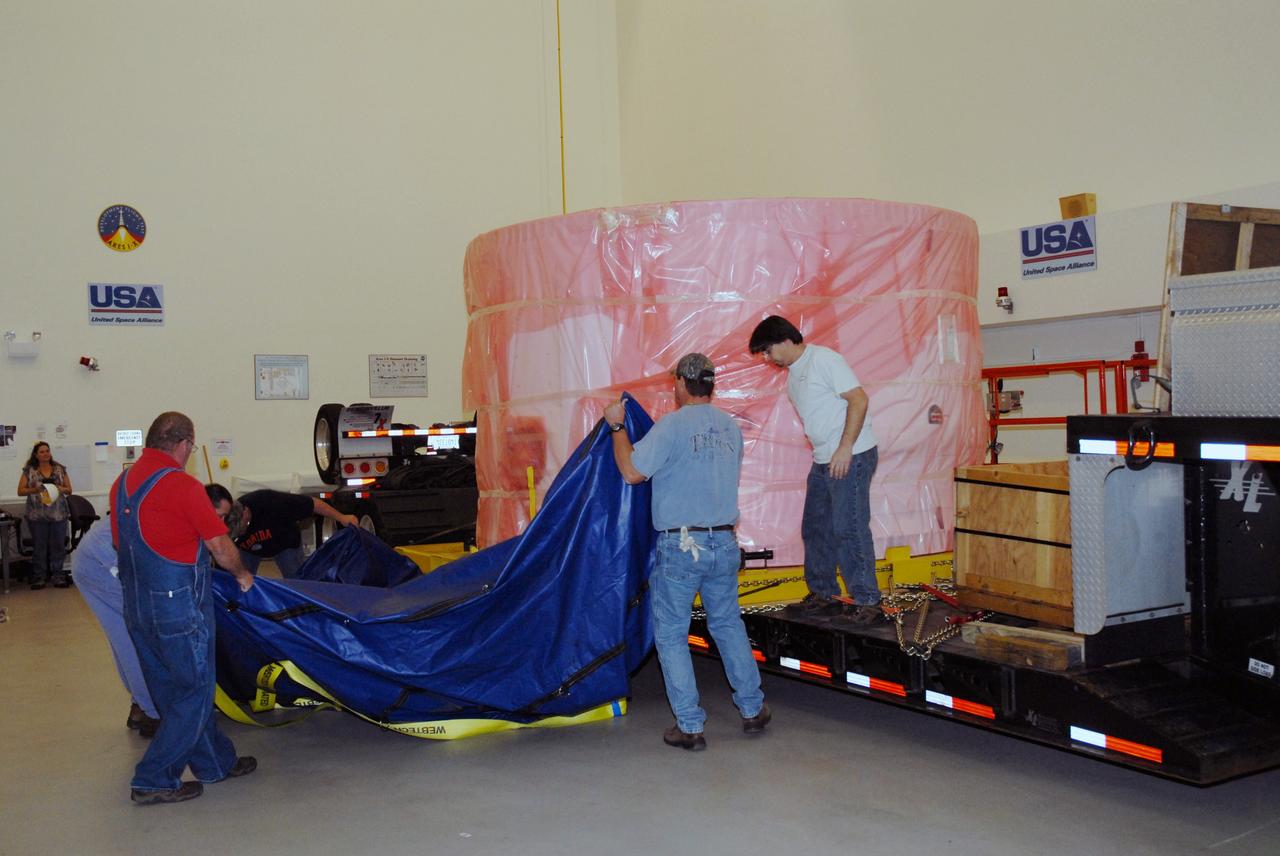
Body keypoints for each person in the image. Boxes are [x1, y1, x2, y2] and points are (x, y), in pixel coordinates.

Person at [604, 353, 769, 751]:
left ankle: (690, 725)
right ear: (710, 384)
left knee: (673, 634)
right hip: (724, 542)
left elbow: (631, 472)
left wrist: (616, 426)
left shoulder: (672, 427)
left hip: (682, 546)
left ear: (680, 382)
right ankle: (752, 708)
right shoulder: (730, 428)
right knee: (727, 625)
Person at [109, 411, 257, 806]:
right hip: (177, 609)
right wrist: (243, 574)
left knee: (172, 692)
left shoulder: (121, 485)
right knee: (193, 691)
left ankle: (215, 763)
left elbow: (121, 546)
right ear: (184, 444)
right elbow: (220, 546)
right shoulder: (184, 486)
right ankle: (154, 777)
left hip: (137, 607)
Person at [749, 315, 881, 623]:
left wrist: (845, 448)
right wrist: (828, 452)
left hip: (852, 455)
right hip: (824, 459)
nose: (767, 358)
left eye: (768, 351)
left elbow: (858, 400)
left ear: (784, 341)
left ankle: (867, 600)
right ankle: (824, 594)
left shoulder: (824, 360)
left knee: (848, 528)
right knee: (816, 527)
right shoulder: (795, 374)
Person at [71, 516, 161, 737]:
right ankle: (152, 713)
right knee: (136, 639)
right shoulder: (179, 510)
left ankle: (140, 706)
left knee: (123, 636)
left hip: (91, 558)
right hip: (103, 562)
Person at [204, 484, 358, 578]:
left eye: (244, 529)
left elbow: (314, 504)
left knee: (298, 584)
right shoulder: (224, 522)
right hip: (248, 550)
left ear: (245, 514)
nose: (243, 532)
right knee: (236, 581)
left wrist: (342, 517)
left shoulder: (270, 502)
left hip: (285, 543)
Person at [16, 441, 72, 589]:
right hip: (37, 516)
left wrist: (60, 488)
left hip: (58, 514)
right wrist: (35, 490)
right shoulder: (29, 470)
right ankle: (39, 576)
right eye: (41, 452)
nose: (45, 454)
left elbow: (69, 490)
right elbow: (20, 491)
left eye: (47, 451)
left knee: (58, 546)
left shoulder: (59, 469)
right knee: (40, 547)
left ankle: (58, 575)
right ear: (36, 454)